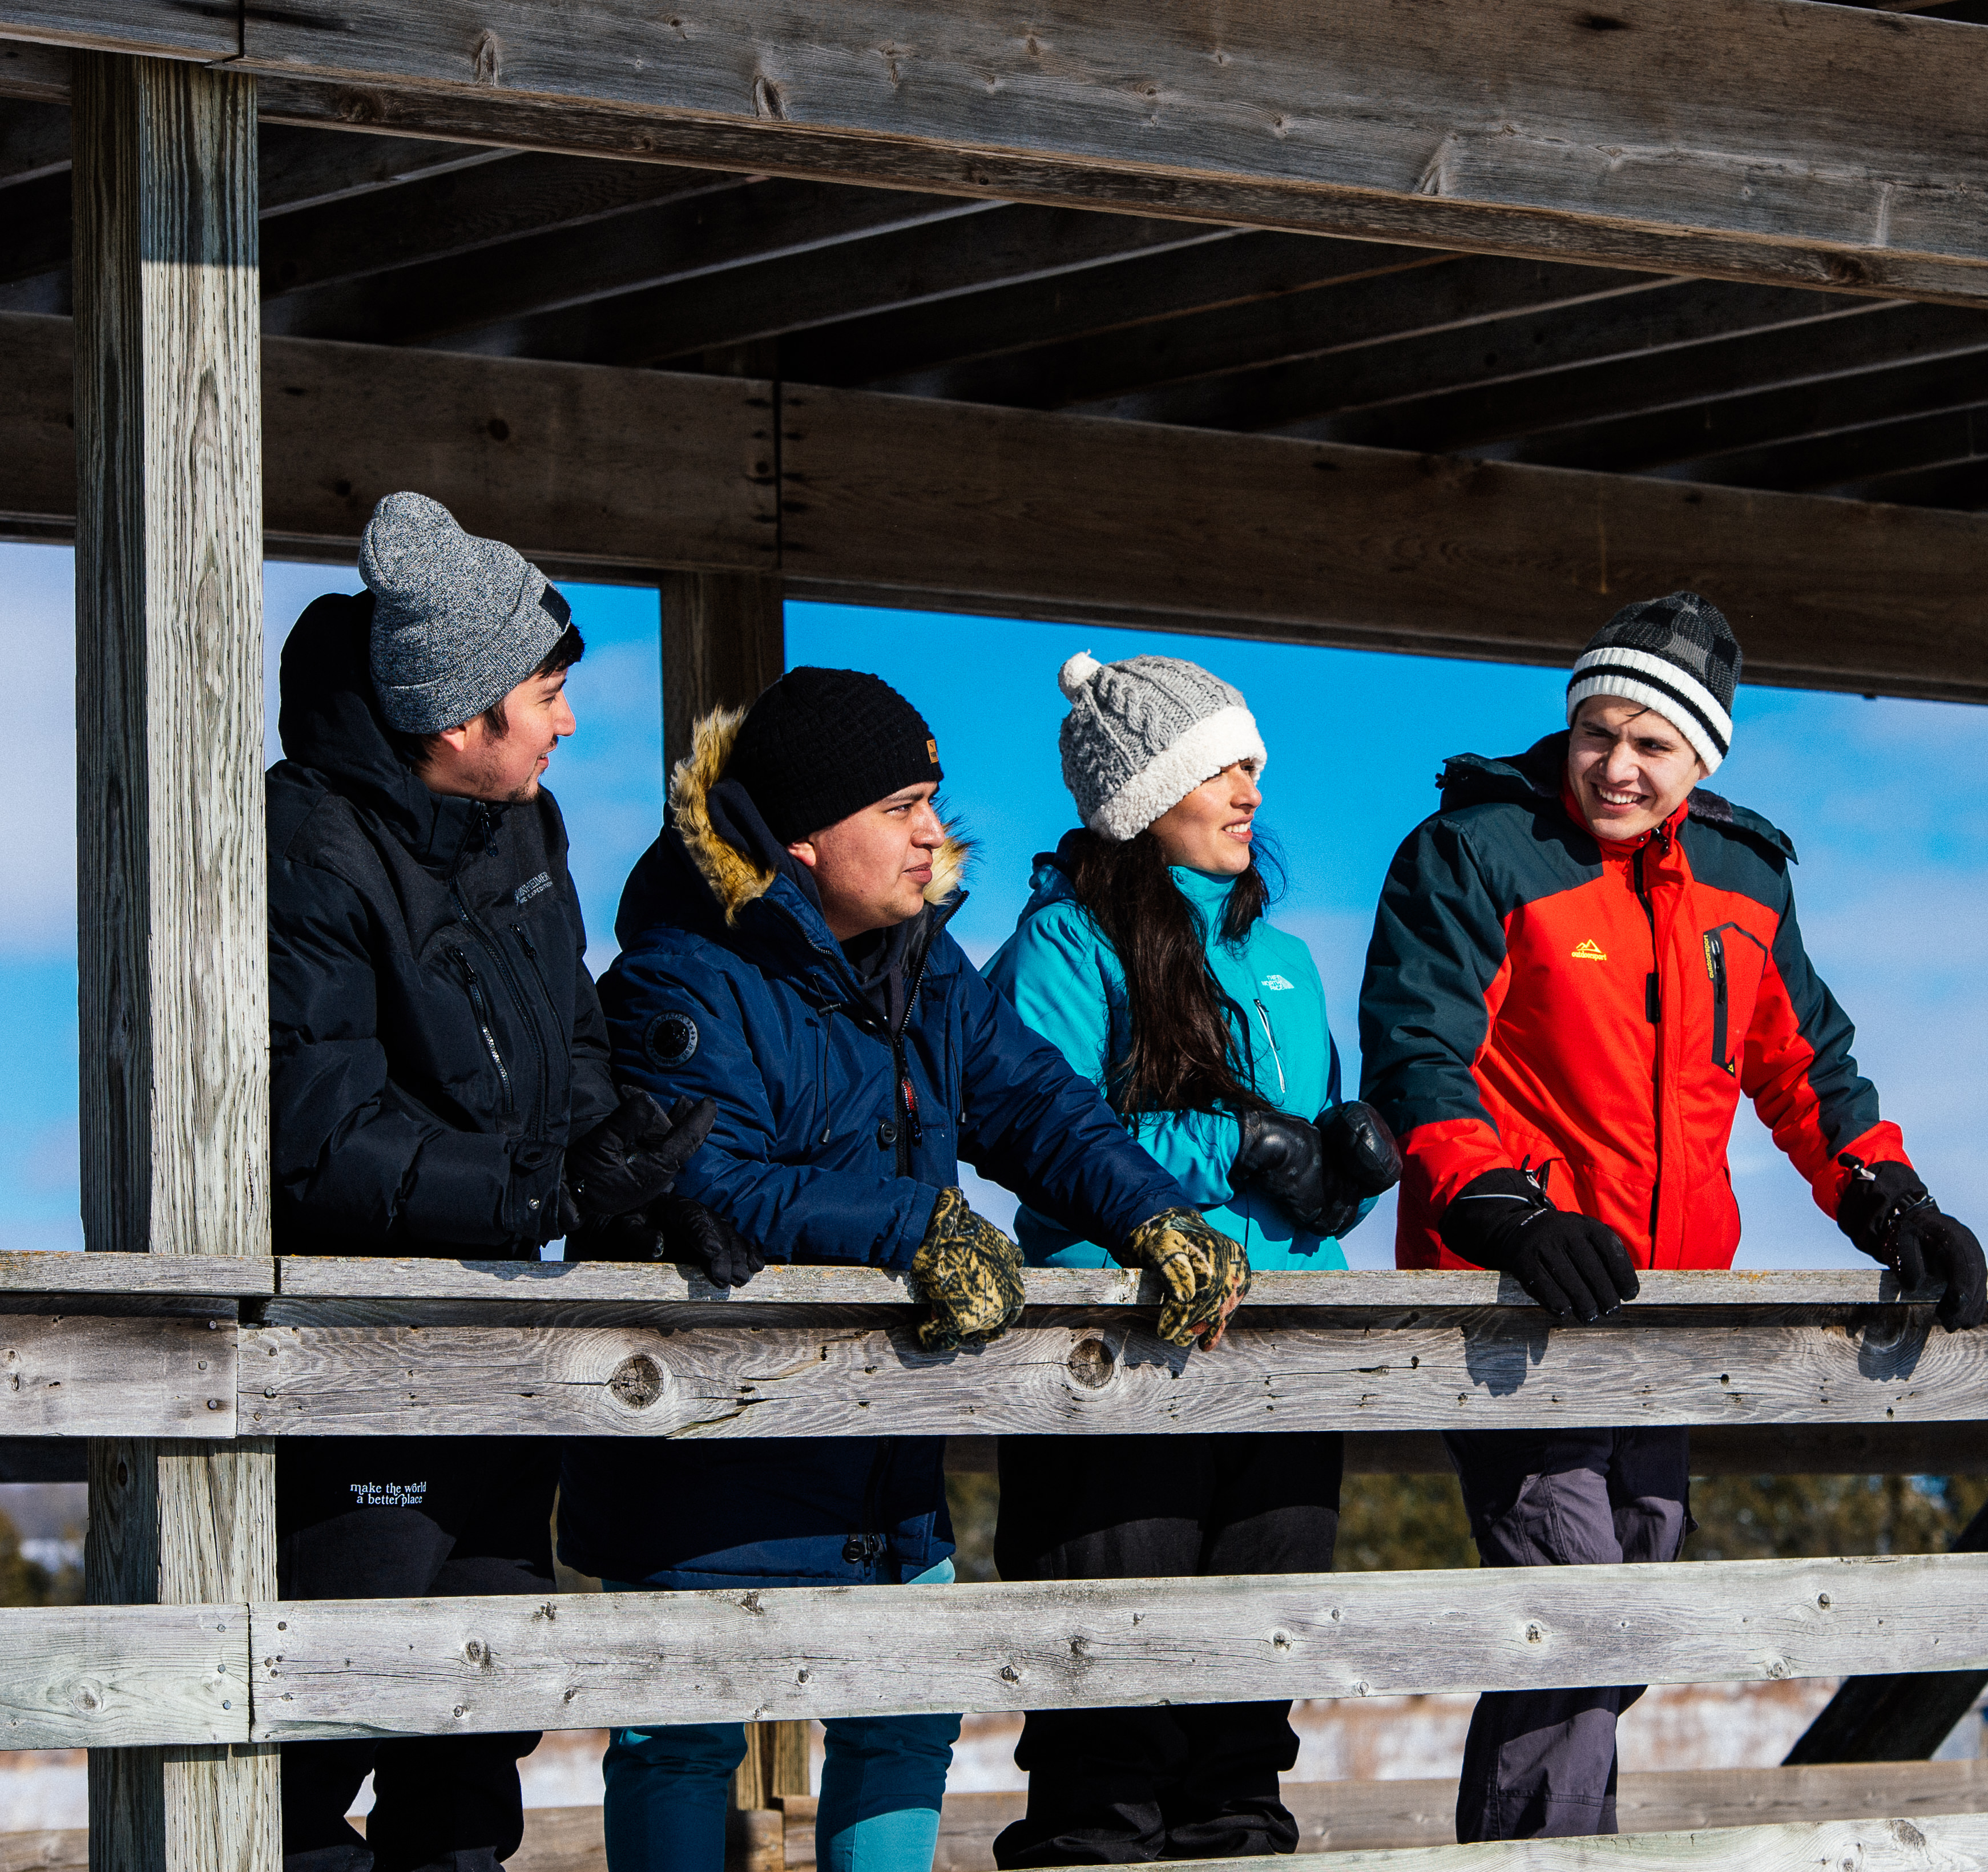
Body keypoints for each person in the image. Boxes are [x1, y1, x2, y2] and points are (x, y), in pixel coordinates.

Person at [559, 665, 1252, 1872]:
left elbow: (1038, 1105)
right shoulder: (680, 974)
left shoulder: (926, 965)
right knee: (681, 1734)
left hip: (881, 1454)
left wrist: (1156, 1216)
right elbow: (709, 1176)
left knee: (903, 1713)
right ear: (803, 840)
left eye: (931, 797)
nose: (934, 829)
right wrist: (912, 1226)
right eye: (897, 806)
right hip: (711, 1444)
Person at [1358, 591, 1988, 1843]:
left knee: (1631, 1604)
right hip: (1516, 1293)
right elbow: (1417, 1052)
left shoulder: (1743, 878)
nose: (1618, 764)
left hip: (1664, 1311)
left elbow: (1807, 1069)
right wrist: (1501, 1209)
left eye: (1652, 742)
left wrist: (1893, 1202)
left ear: (1701, 758)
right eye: (1598, 731)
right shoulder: (1479, 848)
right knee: (1572, 1606)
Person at [267, 492, 717, 1872]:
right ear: (463, 717)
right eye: (549, 692)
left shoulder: (526, 829)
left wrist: (638, 1194)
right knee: (333, 1719)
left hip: (500, 1348)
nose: (570, 720)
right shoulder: (306, 844)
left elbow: (571, 1045)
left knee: (480, 1729)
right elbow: (318, 1132)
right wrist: (540, 1188)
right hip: (358, 1360)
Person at [981, 653, 1400, 1866]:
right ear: (1142, 788)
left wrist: (1339, 1172)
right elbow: (1044, 1133)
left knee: (1248, 1693)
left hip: (1280, 1354)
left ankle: (1237, 1831)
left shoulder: (1290, 961)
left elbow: (1303, 1182)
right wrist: (1240, 1140)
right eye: (1220, 763)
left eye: (1254, 762)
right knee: (1108, 1702)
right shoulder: (1064, 943)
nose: (1249, 786)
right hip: (1118, 1355)